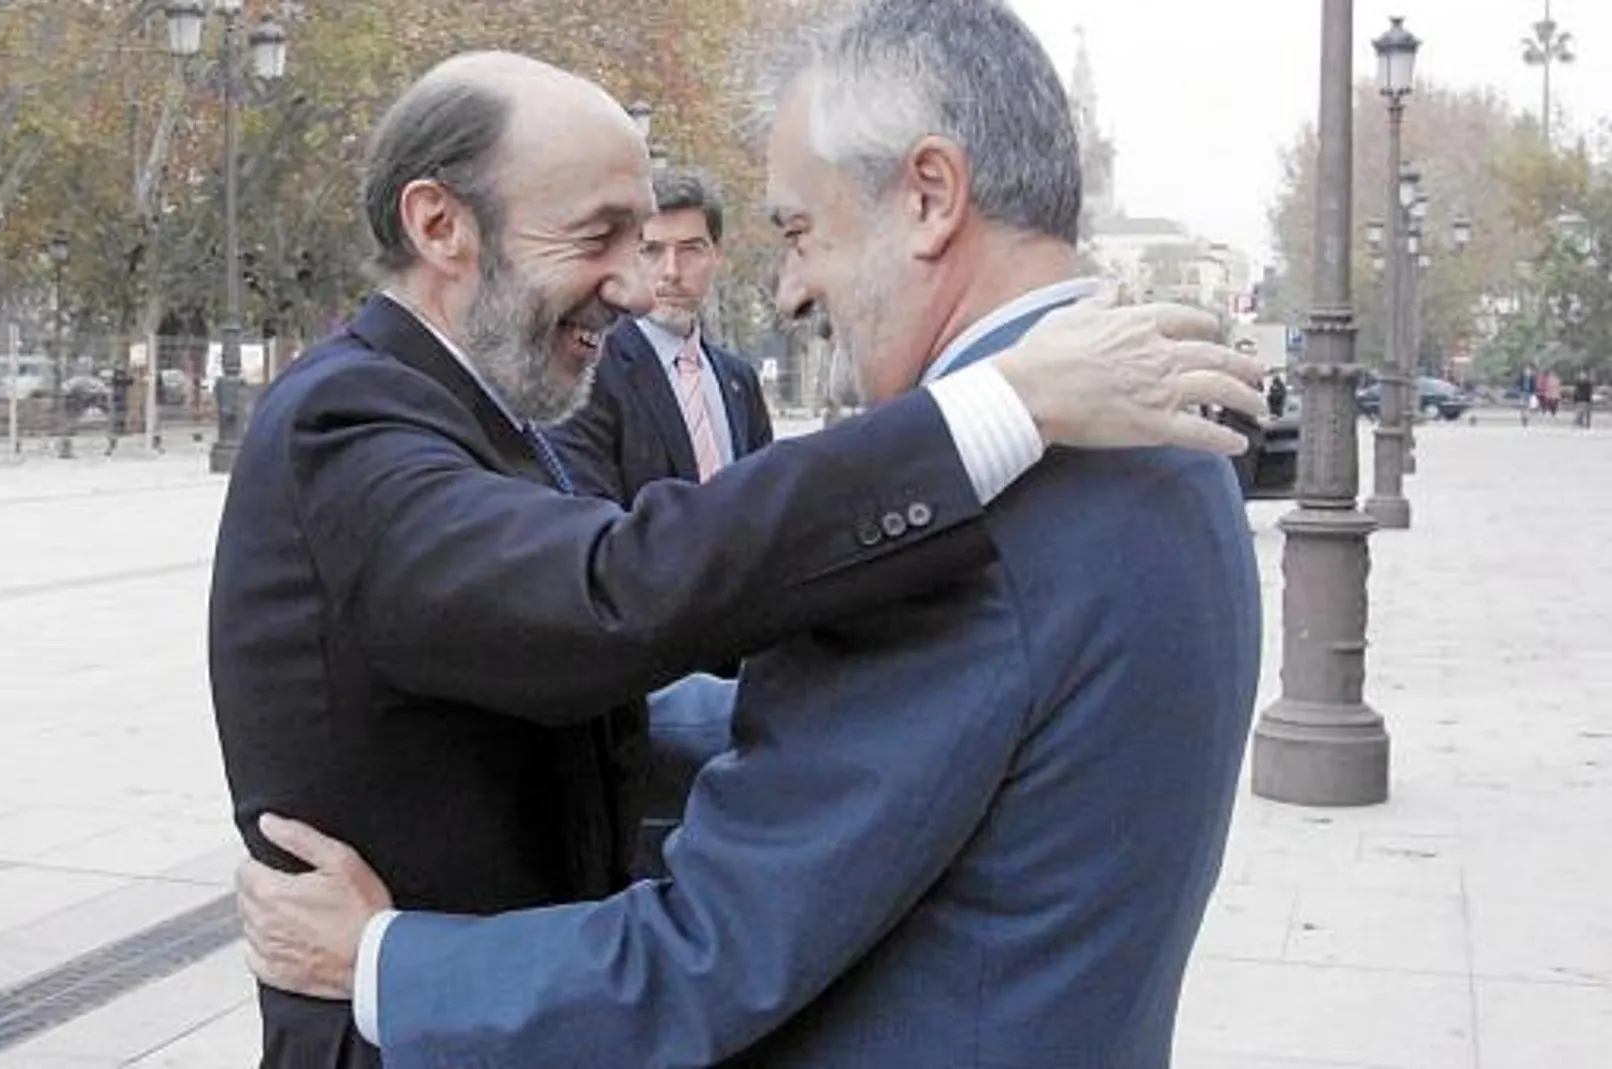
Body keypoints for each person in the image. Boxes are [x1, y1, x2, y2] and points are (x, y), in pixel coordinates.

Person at [237, 5, 1261, 1068]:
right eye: (599, 236)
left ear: (929, 196)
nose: (787, 286)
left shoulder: (984, 511)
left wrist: (381, 961)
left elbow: (708, 956)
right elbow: (630, 600)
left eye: (797, 230)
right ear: (439, 226)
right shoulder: (1162, 435)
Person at [550, 169, 774, 503]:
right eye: (651, 250)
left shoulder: (739, 380)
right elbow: (588, 514)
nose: (671, 271)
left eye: (690, 249)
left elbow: (766, 501)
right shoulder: (588, 372)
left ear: (717, 253)